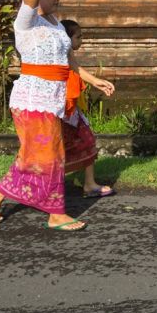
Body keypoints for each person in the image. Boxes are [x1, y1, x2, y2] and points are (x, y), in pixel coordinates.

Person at [0, 0, 115, 231]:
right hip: (33, 99)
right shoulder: (25, 21)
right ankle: (56, 214)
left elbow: (69, 61)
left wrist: (93, 79)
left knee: (48, 152)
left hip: (56, 97)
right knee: (49, 155)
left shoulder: (55, 25)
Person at [60, 19, 115, 198]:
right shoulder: (55, 54)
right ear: (67, 39)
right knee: (55, 149)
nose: (81, 40)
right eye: (78, 37)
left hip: (71, 112)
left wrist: (97, 82)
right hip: (60, 110)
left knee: (87, 140)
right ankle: (49, 187)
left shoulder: (67, 55)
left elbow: (75, 68)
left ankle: (89, 184)